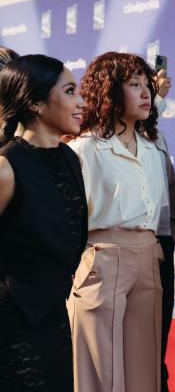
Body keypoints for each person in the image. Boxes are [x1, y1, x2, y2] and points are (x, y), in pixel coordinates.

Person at [67, 52, 168, 392]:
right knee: (98, 369)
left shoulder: (153, 149)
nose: (146, 94)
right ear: (109, 91)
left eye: (148, 86)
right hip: (101, 257)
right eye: (134, 85)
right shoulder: (84, 149)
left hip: (148, 256)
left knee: (144, 367)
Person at [0, 54, 87, 391]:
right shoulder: (7, 166)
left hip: (54, 314)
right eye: (69, 91)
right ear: (35, 103)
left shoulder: (70, 158)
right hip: (11, 321)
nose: (80, 102)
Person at [153, 68, 175, 392]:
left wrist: (171, 230)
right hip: (120, 252)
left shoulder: (156, 135)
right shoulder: (92, 143)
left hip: (162, 241)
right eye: (135, 86)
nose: (148, 93)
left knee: (160, 329)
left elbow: (170, 182)